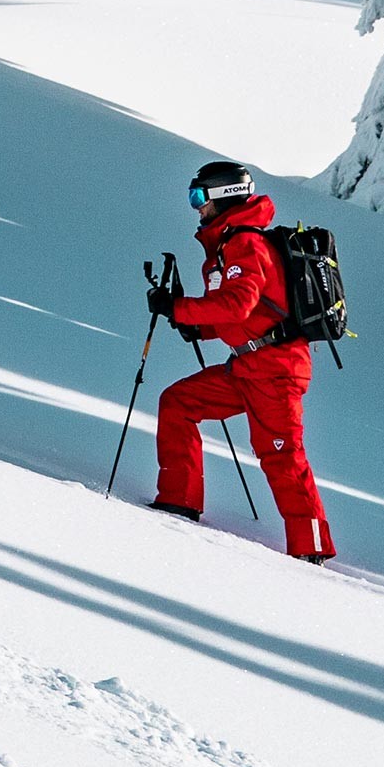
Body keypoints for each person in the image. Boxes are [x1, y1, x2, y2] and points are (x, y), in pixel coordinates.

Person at [146, 160, 336, 563]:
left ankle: (312, 548)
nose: (196, 207)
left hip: (276, 371)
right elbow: (251, 313)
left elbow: (237, 304)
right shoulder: (229, 243)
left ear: (222, 196)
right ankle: (179, 501)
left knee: (282, 455)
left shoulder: (244, 243)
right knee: (178, 403)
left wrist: (180, 309)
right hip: (249, 367)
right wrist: (199, 328)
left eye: (199, 197)